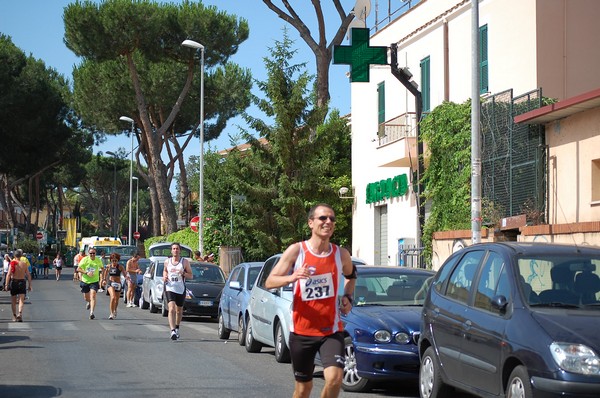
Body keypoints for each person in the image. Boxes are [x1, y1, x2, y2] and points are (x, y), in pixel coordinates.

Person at [265, 203, 356, 398]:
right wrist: (292, 277)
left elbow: (351, 276)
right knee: (303, 389)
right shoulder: (297, 251)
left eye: (332, 218)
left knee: (334, 378)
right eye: (323, 218)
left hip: (331, 330)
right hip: (302, 332)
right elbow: (270, 282)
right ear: (310, 223)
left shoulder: (341, 254)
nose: (328, 222)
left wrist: (348, 296)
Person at [163, 242, 193, 340]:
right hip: (170, 287)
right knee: (171, 308)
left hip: (180, 288)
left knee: (179, 310)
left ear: (180, 250)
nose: (175, 250)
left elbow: (191, 276)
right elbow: (165, 270)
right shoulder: (167, 261)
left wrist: (183, 273)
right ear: (171, 251)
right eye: (174, 249)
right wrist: (164, 276)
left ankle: (177, 327)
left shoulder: (184, 262)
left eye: (177, 249)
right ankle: (172, 331)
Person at [5, 249, 33, 322]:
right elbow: (28, 275)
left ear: (14, 256)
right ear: (21, 256)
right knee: (21, 300)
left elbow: (8, 275)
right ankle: (20, 314)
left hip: (14, 282)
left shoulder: (12, 263)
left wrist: (6, 284)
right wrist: (30, 285)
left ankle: (14, 316)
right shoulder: (24, 264)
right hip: (22, 282)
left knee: (13, 300)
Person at [77, 248, 103, 319]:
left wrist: (103, 277)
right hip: (85, 281)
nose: (92, 255)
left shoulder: (98, 260)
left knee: (93, 296)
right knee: (86, 298)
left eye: (93, 253)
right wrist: (86, 272)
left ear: (95, 253)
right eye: (91, 253)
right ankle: (88, 302)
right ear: (88, 254)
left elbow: (102, 268)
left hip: (94, 281)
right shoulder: (85, 260)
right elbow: (78, 269)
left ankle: (91, 312)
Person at [103, 253, 128, 319]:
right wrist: (104, 280)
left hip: (118, 284)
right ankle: (111, 313)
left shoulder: (120, 267)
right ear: (111, 260)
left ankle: (115, 310)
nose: (114, 262)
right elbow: (105, 273)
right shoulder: (108, 266)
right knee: (113, 297)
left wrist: (127, 278)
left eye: (116, 261)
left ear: (118, 260)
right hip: (110, 283)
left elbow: (125, 274)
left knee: (116, 300)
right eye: (113, 261)